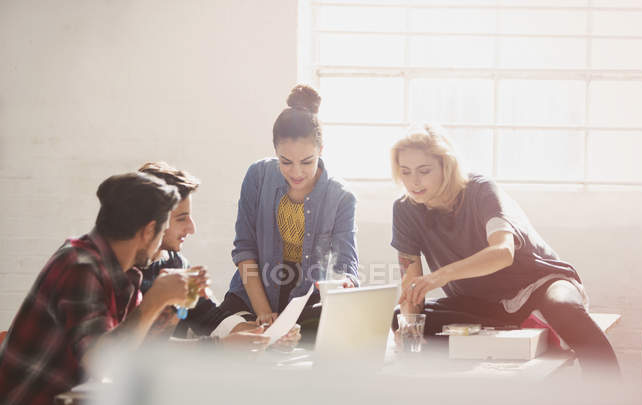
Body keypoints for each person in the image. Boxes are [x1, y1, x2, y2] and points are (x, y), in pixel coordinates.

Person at [0, 172, 268, 405]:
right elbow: (103, 361)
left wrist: (172, 308)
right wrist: (155, 301)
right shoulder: (79, 266)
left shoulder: (122, 273)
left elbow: (138, 349)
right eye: (165, 228)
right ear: (149, 231)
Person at [390, 124, 620, 376]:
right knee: (401, 318)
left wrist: (439, 276)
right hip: (485, 304)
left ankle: (611, 396)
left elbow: (502, 252)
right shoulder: (405, 209)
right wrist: (410, 329)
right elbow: (411, 285)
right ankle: (527, 325)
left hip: (540, 284)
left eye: (424, 171)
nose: (414, 181)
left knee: (563, 307)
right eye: (406, 172)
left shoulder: (480, 189)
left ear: (446, 166)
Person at [219, 84, 359, 340]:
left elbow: (346, 265)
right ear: (275, 152)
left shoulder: (341, 196)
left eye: (307, 162)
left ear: (321, 151)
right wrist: (263, 313)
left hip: (307, 299)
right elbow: (245, 249)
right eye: (285, 162)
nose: (296, 172)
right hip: (253, 294)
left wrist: (343, 284)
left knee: (310, 341)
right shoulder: (258, 176)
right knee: (229, 333)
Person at [137, 162, 299, 345]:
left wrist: (266, 333)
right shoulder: (123, 273)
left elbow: (210, 317)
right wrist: (220, 347)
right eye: (181, 218)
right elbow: (137, 346)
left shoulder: (178, 264)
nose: (192, 228)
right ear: (153, 221)